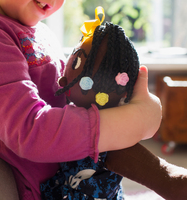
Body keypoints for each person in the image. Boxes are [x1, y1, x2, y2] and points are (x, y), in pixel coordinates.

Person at [0, 1, 162, 199]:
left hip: (87, 176)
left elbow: (71, 96)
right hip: (54, 189)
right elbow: (30, 130)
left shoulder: (38, 30)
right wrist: (136, 120)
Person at [41, 9, 187, 200]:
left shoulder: (109, 138)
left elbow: (167, 178)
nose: (62, 79)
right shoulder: (63, 115)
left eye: (76, 63)